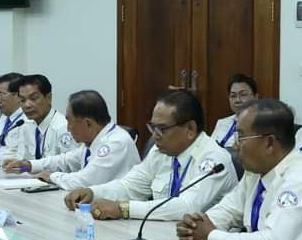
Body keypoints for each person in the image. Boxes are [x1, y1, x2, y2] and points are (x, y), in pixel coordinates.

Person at [177, 99, 302, 240]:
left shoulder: (301, 180)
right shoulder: (256, 171)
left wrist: (210, 236)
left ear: (269, 143)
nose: (235, 146)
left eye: (241, 138)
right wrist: (195, 226)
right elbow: (228, 211)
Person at [64, 90, 236, 221]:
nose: (155, 136)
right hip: (160, 233)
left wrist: (124, 209)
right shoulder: (161, 151)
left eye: (162, 129)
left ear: (190, 129)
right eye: (153, 127)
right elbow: (129, 187)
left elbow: (187, 207)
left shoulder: (214, 159)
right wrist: (92, 192)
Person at [3, 90, 140, 190]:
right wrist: (28, 165)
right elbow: (65, 160)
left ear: (88, 123)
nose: (68, 128)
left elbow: (85, 181)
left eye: (69, 121)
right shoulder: (94, 140)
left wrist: (52, 176)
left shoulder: (115, 143)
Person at [13, 74, 75, 160]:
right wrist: (17, 164)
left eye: (33, 98)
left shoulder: (63, 127)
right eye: (22, 100)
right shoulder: (26, 125)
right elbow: (25, 159)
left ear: (49, 98)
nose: (27, 105)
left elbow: (71, 164)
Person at [210, 74, 257, 149]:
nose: (237, 100)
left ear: (255, 97)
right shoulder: (222, 123)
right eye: (233, 96)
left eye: (243, 95)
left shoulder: (260, 125)